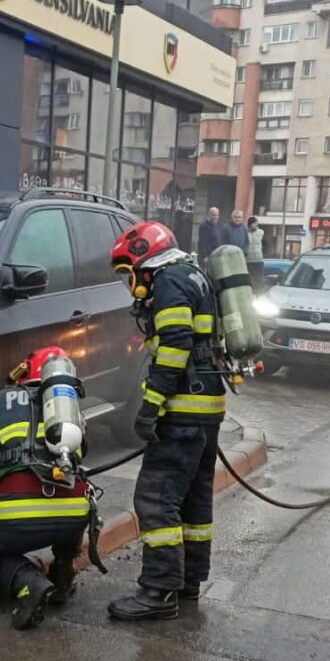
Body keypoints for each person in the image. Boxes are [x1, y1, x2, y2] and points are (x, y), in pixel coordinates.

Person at [107, 221, 226, 622]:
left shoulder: (170, 282)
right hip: (207, 409)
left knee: (157, 500)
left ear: (145, 259)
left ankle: (158, 593)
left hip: (182, 412)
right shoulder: (195, 275)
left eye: (128, 273)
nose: (131, 284)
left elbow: (174, 347)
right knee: (193, 500)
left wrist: (150, 406)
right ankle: (188, 582)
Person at [0, 347, 91, 630]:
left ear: (26, 372)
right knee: (65, 510)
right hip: (75, 519)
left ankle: (27, 583)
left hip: (19, 519)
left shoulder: (3, 401)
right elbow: (82, 454)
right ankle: (62, 579)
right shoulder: (70, 410)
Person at [245, 214, 266, 292]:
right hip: (249, 260)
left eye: (256, 223)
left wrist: (264, 253)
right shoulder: (245, 233)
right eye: (254, 223)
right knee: (250, 280)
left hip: (259, 260)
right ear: (250, 224)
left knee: (259, 280)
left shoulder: (261, 232)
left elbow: (266, 243)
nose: (256, 225)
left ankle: (259, 294)